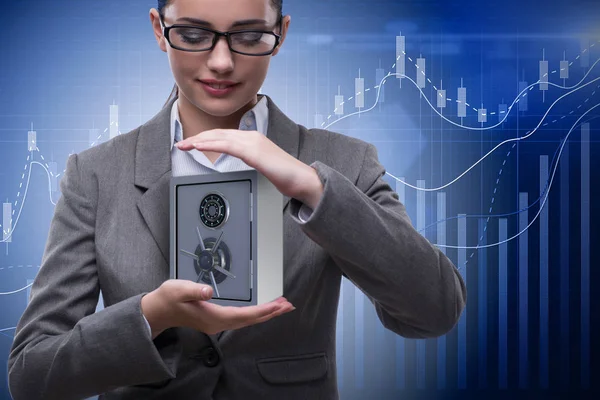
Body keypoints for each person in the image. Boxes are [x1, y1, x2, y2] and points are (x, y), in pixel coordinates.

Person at [7, 0, 467, 398]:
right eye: (192, 34)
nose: (222, 62)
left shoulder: (342, 162)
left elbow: (435, 312)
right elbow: (32, 374)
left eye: (249, 36)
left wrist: (312, 188)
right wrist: (151, 317)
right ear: (158, 30)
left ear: (281, 34)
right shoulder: (95, 174)